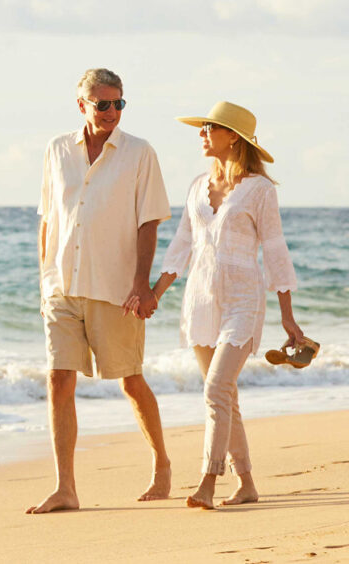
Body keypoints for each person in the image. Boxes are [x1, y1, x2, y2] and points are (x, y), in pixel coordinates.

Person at [148, 101, 309, 509]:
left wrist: (288, 317)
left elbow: (274, 250)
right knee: (224, 395)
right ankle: (248, 483)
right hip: (200, 300)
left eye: (208, 129)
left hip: (243, 299)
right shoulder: (196, 186)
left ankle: (208, 480)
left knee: (216, 388)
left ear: (232, 136)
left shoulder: (259, 190)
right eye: (201, 129)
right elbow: (182, 243)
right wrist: (154, 293)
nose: (201, 135)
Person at [27, 69, 173, 514]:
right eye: (103, 104)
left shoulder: (139, 153)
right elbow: (48, 219)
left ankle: (162, 464)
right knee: (58, 380)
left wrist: (141, 284)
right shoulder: (56, 150)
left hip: (116, 289)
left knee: (130, 381)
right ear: (82, 105)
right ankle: (65, 488)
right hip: (61, 286)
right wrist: (44, 280)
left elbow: (149, 221)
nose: (112, 112)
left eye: (119, 104)